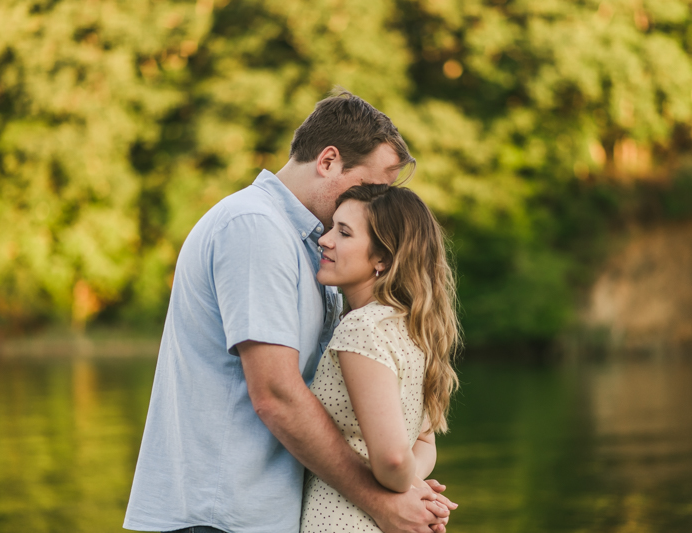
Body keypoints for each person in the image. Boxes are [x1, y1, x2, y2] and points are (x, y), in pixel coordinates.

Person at [123, 89, 455, 533]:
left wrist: (407, 488)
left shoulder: (314, 251)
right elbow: (276, 395)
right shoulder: (255, 229)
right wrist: (381, 502)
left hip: (262, 515)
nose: (377, 203)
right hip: (220, 515)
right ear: (328, 161)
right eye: (370, 186)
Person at [300, 184, 460, 532]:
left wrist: (410, 491)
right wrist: (418, 493)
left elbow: (391, 458)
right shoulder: (413, 328)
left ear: (383, 259)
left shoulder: (361, 328)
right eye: (332, 228)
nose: (324, 240)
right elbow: (423, 442)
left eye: (343, 232)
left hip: (343, 519)